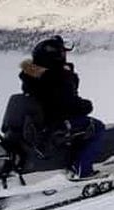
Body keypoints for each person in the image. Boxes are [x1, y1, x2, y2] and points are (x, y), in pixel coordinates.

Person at [19, 35, 105, 178]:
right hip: (55, 122)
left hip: (42, 122)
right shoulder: (57, 76)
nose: (65, 55)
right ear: (55, 56)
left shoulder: (32, 75)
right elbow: (69, 104)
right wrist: (87, 106)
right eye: (62, 52)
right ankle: (82, 170)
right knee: (97, 127)